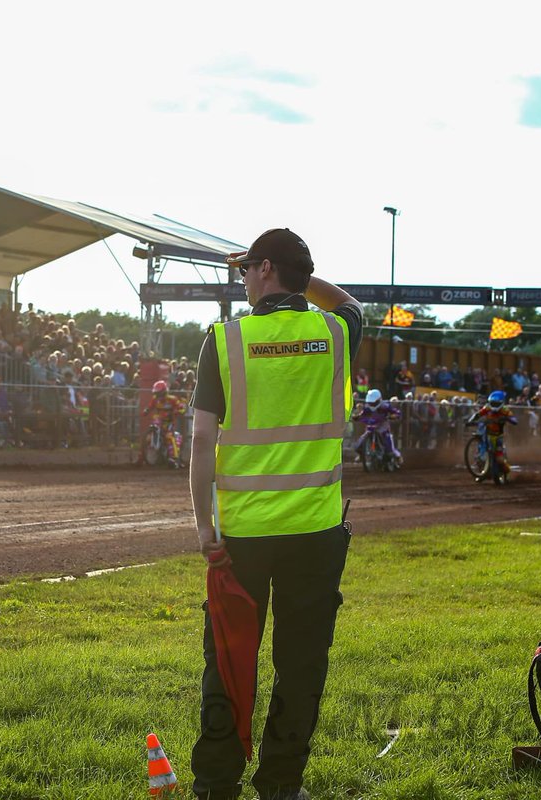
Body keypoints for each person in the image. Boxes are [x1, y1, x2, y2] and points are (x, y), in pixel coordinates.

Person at [188, 227, 363, 800]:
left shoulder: (225, 340)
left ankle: (216, 787)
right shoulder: (335, 333)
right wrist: (299, 276)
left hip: (241, 538)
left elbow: (200, 442)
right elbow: (352, 305)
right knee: (302, 664)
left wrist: (204, 530)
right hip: (314, 533)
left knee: (230, 663)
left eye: (245, 270)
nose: (241, 281)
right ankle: (281, 785)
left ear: (264, 270)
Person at [465, 389, 517, 483]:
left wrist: (508, 419)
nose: (494, 405)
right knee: (480, 455)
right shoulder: (487, 408)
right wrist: (470, 421)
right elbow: (478, 414)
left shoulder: (505, 410)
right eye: (493, 403)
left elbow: (513, 419)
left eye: (497, 403)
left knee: (500, 459)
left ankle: (506, 472)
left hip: (498, 437)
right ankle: (482, 473)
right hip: (486, 433)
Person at [138, 379, 187, 467]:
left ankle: (174, 459)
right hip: (158, 420)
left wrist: (178, 410)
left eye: (158, 394)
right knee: (149, 435)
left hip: (169, 422)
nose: (157, 396)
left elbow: (182, 407)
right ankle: (142, 457)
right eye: (155, 394)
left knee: (169, 437)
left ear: (164, 392)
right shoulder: (155, 399)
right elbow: (149, 407)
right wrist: (145, 411)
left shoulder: (172, 399)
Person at [351, 388, 401, 464]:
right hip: (371, 427)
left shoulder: (385, 406)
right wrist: (357, 417)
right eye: (370, 403)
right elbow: (362, 414)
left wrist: (394, 415)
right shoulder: (367, 407)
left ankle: (397, 456)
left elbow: (396, 412)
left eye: (373, 403)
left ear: (378, 400)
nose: (371, 405)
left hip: (382, 427)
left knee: (388, 441)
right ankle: (362, 455)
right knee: (361, 441)